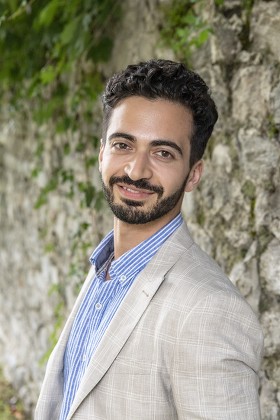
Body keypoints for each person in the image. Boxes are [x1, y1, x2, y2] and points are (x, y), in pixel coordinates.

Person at [35, 59, 263, 420]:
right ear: (101, 154)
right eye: (123, 145)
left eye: (163, 153)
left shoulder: (210, 311)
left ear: (193, 174)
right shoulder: (104, 267)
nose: (136, 171)